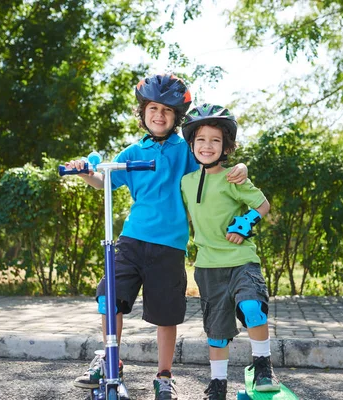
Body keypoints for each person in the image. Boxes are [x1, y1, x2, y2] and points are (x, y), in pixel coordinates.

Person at [64, 75, 248, 400]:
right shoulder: (134, 151)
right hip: (132, 240)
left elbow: (213, 163)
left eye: (166, 110)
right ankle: (110, 361)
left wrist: (241, 168)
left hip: (170, 245)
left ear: (177, 116)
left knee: (166, 314)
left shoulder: (186, 150)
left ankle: (164, 377)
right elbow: (104, 179)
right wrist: (85, 171)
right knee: (111, 299)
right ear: (143, 111)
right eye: (153, 108)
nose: (159, 115)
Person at [180, 104, 280, 400]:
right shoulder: (186, 182)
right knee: (217, 331)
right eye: (201, 139)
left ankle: (263, 366)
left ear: (225, 147)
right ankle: (218, 383)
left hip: (241, 260)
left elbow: (262, 205)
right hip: (208, 266)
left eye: (215, 140)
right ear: (191, 144)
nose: (207, 146)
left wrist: (244, 225)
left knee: (252, 309)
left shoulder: (233, 177)